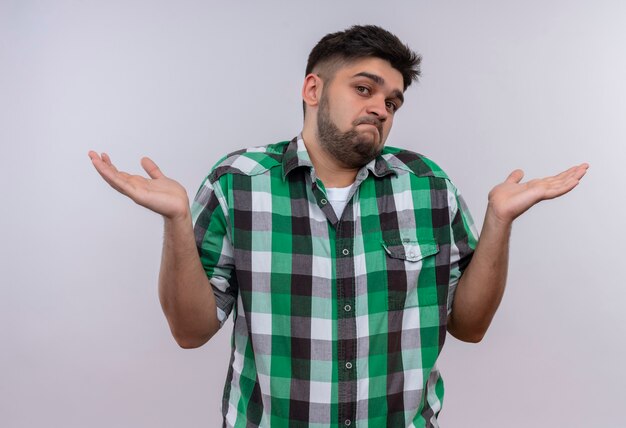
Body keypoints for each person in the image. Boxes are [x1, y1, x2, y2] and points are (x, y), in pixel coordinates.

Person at [89, 25, 588, 428]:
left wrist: (499, 221)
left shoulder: (428, 186)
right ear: (313, 89)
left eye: (392, 102)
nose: (380, 108)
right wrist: (176, 220)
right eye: (364, 88)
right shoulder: (237, 183)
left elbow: (469, 326)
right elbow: (189, 331)